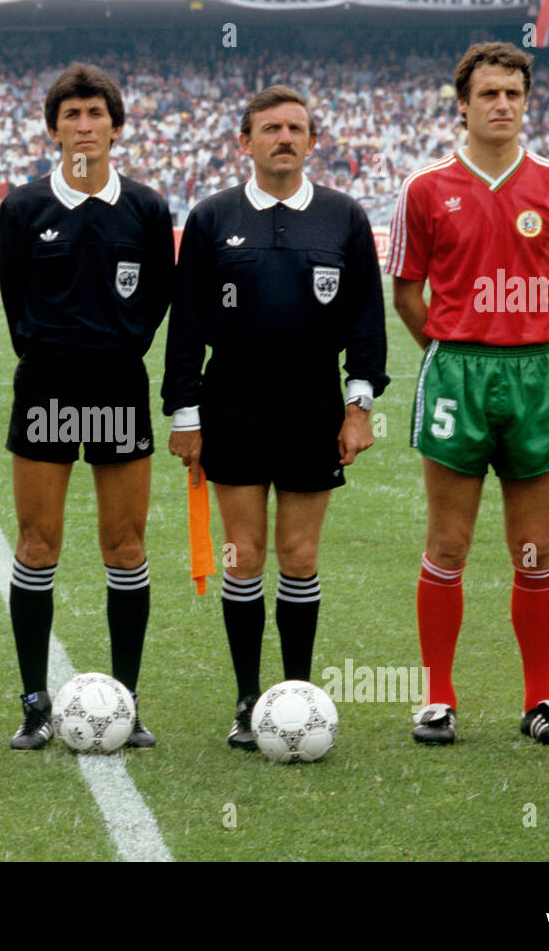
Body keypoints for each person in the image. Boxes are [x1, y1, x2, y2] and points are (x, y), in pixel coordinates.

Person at [162, 86, 388, 750]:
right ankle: (244, 698)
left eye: (295, 129)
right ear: (246, 141)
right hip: (231, 404)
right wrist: (185, 413)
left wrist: (359, 407)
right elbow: (187, 328)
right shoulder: (211, 218)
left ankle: (295, 694)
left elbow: (366, 325)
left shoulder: (343, 217)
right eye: (270, 129)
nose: (283, 138)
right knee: (243, 556)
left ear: (312, 142)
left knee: (299, 554)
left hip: (312, 407)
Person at [387, 42, 549, 747]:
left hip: (536, 373)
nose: (502, 104)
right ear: (464, 104)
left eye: (513, 93)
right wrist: (449, 348)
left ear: (526, 101)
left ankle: (539, 702)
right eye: (489, 94)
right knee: (448, 543)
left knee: (534, 547)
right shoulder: (425, 188)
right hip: (456, 374)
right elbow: (406, 291)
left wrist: (526, 332)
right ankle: (438, 700)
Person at [0, 63, 173, 750]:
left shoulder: (148, 209)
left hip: (119, 387)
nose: (84, 125)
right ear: (53, 128)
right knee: (38, 544)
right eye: (70, 115)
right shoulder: (24, 208)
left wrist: (116, 345)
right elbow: (16, 303)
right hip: (45, 386)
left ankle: (125, 701)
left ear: (116, 126)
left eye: (95, 113)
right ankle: (35, 702)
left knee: (124, 546)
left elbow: (157, 296)